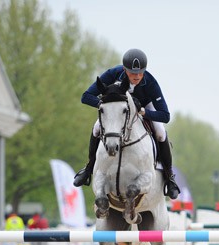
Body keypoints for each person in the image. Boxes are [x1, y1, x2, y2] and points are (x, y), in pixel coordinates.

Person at [73, 48, 180, 199]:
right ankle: (88, 168)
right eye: (132, 73)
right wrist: (107, 106)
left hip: (143, 108)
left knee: (161, 133)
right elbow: (86, 96)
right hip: (116, 112)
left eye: (140, 72)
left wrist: (144, 112)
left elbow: (165, 115)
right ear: (124, 69)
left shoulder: (150, 83)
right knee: (97, 128)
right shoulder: (112, 74)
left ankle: (169, 177)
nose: (136, 76)